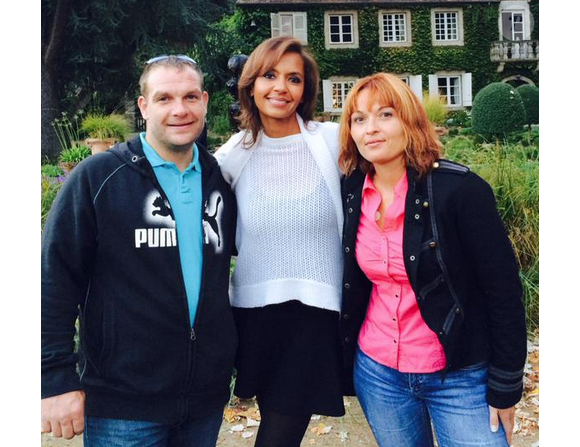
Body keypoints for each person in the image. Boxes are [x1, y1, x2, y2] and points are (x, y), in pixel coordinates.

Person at [41, 55, 238, 447]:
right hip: (123, 405)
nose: (179, 110)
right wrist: (53, 379)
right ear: (144, 106)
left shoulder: (220, 180)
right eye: (164, 98)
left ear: (205, 101)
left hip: (204, 401)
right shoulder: (98, 179)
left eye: (189, 97)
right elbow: (54, 280)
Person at [338, 73, 528, 447]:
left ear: (410, 120)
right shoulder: (352, 190)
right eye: (359, 119)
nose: (371, 129)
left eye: (385, 114)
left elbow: (503, 290)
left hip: (459, 374)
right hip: (379, 373)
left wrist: (506, 383)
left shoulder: (460, 190)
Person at [215, 37, 345, 447]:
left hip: (315, 314)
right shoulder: (235, 153)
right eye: (270, 75)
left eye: (294, 79)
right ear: (251, 84)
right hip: (255, 314)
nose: (281, 88)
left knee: (279, 436)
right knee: (274, 425)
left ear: (306, 90)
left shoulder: (333, 141)